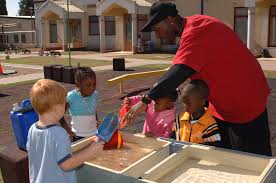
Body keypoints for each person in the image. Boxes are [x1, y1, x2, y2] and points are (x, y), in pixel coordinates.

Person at [124, 2, 272, 156]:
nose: (157, 35)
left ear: (170, 20)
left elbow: (179, 72)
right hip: (222, 105)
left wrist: (145, 100)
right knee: (222, 154)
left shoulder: (197, 29)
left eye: (157, 29)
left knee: (252, 160)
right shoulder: (193, 29)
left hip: (244, 101)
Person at [27, 79, 103, 183]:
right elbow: (67, 165)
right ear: (58, 108)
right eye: (64, 104)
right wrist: (91, 151)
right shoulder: (59, 134)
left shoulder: (32, 129)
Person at [173, 80, 221, 147]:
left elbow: (212, 149)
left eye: (188, 103)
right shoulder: (179, 119)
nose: (185, 106)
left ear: (202, 102)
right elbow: (173, 139)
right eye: (183, 102)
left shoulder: (209, 125)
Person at [60, 67, 99, 142]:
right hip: (77, 136)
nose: (92, 88)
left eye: (94, 84)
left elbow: (94, 109)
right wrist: (68, 131)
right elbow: (60, 115)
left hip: (94, 134)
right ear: (78, 84)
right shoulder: (71, 97)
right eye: (88, 85)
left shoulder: (95, 95)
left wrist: (97, 121)